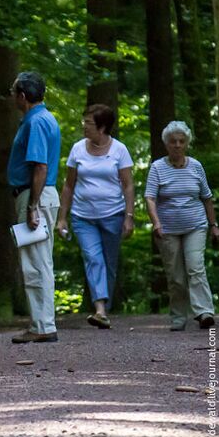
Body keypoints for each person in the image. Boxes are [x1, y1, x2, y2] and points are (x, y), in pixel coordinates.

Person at [56, 104, 135, 330]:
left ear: (102, 127)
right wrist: (62, 218)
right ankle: (99, 309)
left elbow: (128, 185)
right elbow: (69, 185)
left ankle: (103, 309)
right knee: (93, 258)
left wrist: (129, 217)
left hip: (113, 214)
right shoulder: (78, 149)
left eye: (88, 123)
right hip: (83, 216)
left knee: (108, 263)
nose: (84, 126)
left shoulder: (119, 150)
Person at [145, 121, 219, 331]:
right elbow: (150, 198)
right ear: (166, 144)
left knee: (195, 267)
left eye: (181, 141)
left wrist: (214, 225)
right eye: (173, 141)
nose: (177, 145)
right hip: (167, 229)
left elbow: (206, 198)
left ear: (186, 143)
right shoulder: (157, 168)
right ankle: (178, 316)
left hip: (195, 225)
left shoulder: (196, 166)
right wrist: (156, 223)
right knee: (176, 276)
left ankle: (204, 311)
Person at [6, 71, 62, 344]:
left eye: (13, 92)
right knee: (39, 261)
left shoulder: (36, 122)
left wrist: (32, 206)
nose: (11, 97)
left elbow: (40, 166)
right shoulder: (40, 118)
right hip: (37, 195)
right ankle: (41, 322)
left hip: (34, 196)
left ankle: (42, 325)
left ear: (23, 96)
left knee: (35, 263)